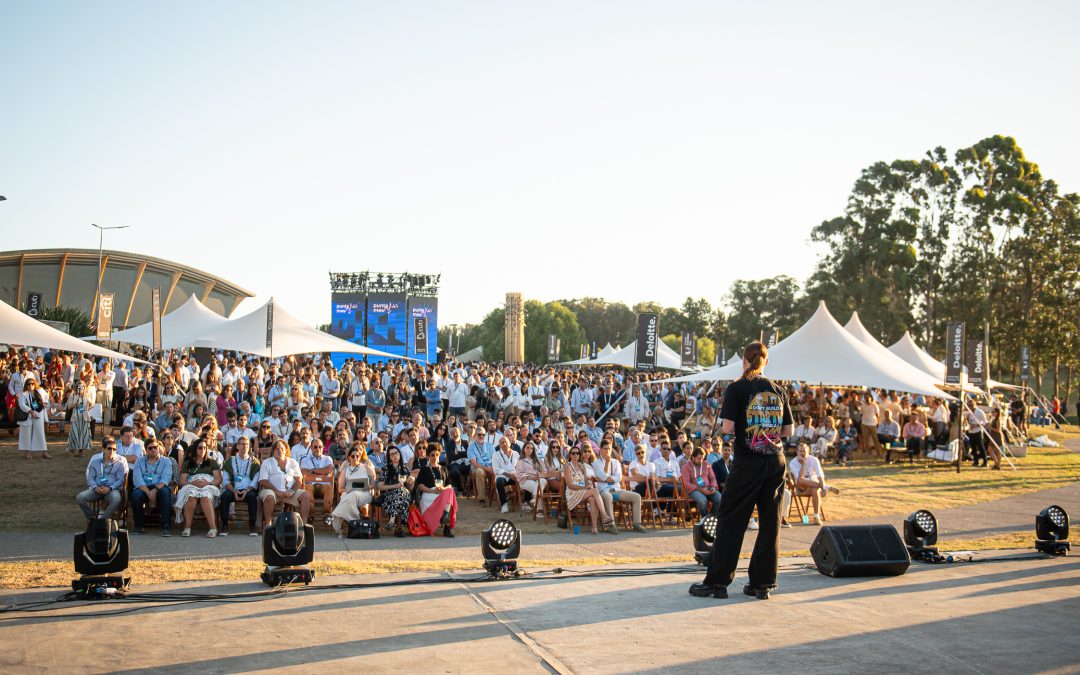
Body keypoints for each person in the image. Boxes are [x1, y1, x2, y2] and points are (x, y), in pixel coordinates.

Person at [691, 341, 793, 601]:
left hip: (748, 462)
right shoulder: (778, 390)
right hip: (776, 461)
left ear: (744, 361)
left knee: (731, 520)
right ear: (766, 362)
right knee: (770, 523)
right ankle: (762, 583)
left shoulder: (737, 388)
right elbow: (788, 431)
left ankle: (718, 583)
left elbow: (726, 428)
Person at [592, 439, 647, 532]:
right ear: (600, 449)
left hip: (616, 489)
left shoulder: (616, 462)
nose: (607, 451)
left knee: (637, 496)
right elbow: (603, 476)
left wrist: (606, 478)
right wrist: (607, 463)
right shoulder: (596, 463)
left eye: (609, 449)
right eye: (605, 449)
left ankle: (637, 524)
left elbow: (618, 477)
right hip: (604, 490)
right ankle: (611, 525)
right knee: (608, 497)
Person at [257, 439, 311, 530]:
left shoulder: (293, 462)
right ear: (273, 451)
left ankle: (303, 526)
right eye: (277, 449)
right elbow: (263, 480)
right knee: (269, 497)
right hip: (272, 491)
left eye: (282, 448)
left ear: (286, 450)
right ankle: (268, 526)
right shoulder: (267, 462)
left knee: (305, 495)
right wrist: (277, 491)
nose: (280, 451)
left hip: (290, 492)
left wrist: (291, 491)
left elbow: (299, 480)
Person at [562, 446, 615, 534]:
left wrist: (587, 486)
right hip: (572, 493)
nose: (575, 455)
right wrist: (584, 488)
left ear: (579, 455)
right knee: (594, 491)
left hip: (583, 492)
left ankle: (594, 528)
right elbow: (570, 485)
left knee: (592, 499)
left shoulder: (582, 466)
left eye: (577, 453)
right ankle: (605, 516)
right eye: (573, 453)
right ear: (570, 455)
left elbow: (586, 481)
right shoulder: (567, 467)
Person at [176, 438, 223, 537]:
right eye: (200, 448)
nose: (203, 450)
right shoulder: (187, 464)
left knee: (205, 496)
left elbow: (218, 479)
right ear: (195, 449)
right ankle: (187, 528)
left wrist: (208, 483)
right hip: (192, 485)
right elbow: (183, 481)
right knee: (191, 496)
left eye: (205, 448)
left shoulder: (212, 462)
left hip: (208, 485)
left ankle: (213, 528)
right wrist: (192, 482)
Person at [330, 443, 378, 537]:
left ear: (360, 457)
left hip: (364, 494)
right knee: (349, 495)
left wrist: (365, 487)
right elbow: (340, 489)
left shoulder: (366, 467)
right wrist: (346, 489)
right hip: (348, 494)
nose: (355, 458)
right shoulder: (345, 471)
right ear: (349, 457)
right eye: (353, 456)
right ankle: (353, 520)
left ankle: (334, 517)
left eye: (357, 456)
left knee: (353, 494)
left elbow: (373, 484)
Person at [131, 438, 175, 536]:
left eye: (155, 447)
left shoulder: (166, 461)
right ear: (146, 450)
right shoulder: (139, 461)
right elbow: (137, 479)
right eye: (150, 448)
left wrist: (154, 491)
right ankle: (139, 526)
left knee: (164, 493)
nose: (153, 450)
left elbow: (165, 479)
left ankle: (165, 526)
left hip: (159, 487)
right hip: (144, 488)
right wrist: (148, 492)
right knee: (135, 495)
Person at [75, 436, 127, 521]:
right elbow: (90, 478)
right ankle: (92, 519)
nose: (112, 451)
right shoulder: (95, 462)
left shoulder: (120, 464)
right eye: (109, 448)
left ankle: (102, 521)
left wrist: (110, 488)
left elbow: (120, 480)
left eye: (114, 449)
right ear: (103, 449)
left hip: (111, 489)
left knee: (117, 498)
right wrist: (95, 487)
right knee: (80, 497)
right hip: (97, 489)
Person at [219, 436, 261, 536]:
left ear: (249, 446)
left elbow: (255, 480)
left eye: (246, 444)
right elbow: (225, 480)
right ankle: (224, 525)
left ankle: (252, 526)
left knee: (252, 497)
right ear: (237, 446)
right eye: (242, 444)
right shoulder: (230, 461)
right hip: (234, 489)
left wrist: (247, 490)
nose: (244, 446)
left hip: (248, 489)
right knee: (225, 496)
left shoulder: (254, 461)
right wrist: (233, 491)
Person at [788, 443, 840, 524]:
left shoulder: (814, 459)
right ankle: (827, 487)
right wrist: (804, 464)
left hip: (813, 486)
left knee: (815, 490)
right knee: (800, 480)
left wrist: (821, 485)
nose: (802, 453)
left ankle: (816, 517)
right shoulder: (792, 462)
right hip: (801, 488)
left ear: (808, 452)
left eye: (804, 451)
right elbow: (799, 478)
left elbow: (820, 475)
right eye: (800, 451)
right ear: (797, 452)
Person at [415, 447, 457, 536]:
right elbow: (420, 485)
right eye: (432, 455)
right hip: (429, 494)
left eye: (437, 455)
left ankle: (445, 518)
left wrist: (443, 489)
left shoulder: (444, 469)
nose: (435, 457)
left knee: (450, 491)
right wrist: (432, 491)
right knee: (449, 495)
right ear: (428, 456)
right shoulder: (424, 469)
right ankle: (446, 522)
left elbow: (449, 484)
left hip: (442, 493)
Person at [377, 446, 413, 537]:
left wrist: (412, 480)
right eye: (392, 454)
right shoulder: (385, 469)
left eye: (396, 453)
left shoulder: (405, 469)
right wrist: (395, 486)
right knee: (400, 495)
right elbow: (380, 487)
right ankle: (399, 528)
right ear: (389, 457)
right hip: (389, 495)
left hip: (404, 494)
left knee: (401, 492)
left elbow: (410, 488)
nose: (394, 455)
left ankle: (392, 521)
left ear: (400, 454)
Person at [681, 447, 721, 516]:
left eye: (703, 458)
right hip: (694, 490)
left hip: (708, 488)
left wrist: (713, 487)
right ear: (693, 457)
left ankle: (712, 517)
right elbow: (686, 483)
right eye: (699, 459)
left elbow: (712, 478)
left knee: (719, 498)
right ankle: (704, 519)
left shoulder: (707, 464)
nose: (701, 461)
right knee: (703, 501)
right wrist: (701, 489)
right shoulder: (686, 467)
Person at [18, 377, 51, 460]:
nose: (30, 385)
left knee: (40, 433)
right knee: (27, 434)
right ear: (26, 385)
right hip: (28, 415)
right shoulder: (23, 394)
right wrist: (31, 411)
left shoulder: (40, 390)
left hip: (39, 413)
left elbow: (47, 397)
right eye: (28, 384)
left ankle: (44, 452)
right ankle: (27, 452)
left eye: (32, 383)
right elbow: (22, 405)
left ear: (34, 384)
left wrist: (45, 404)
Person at [65, 381, 94, 457]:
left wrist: (90, 403)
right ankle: (72, 449)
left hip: (84, 417)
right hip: (75, 417)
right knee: (74, 433)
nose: (81, 388)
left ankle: (81, 451)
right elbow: (68, 406)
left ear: (84, 387)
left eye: (82, 387)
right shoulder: (73, 395)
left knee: (83, 434)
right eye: (79, 387)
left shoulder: (87, 395)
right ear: (76, 387)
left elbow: (91, 405)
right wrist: (75, 404)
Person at [492, 437, 520, 513]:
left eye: (505, 442)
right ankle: (504, 504)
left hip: (514, 475)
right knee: (499, 481)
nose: (504, 444)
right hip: (502, 476)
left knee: (525, 479)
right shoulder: (496, 455)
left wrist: (518, 475)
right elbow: (496, 470)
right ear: (499, 445)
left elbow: (519, 467)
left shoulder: (516, 454)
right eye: (502, 442)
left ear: (509, 443)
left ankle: (525, 502)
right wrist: (508, 475)